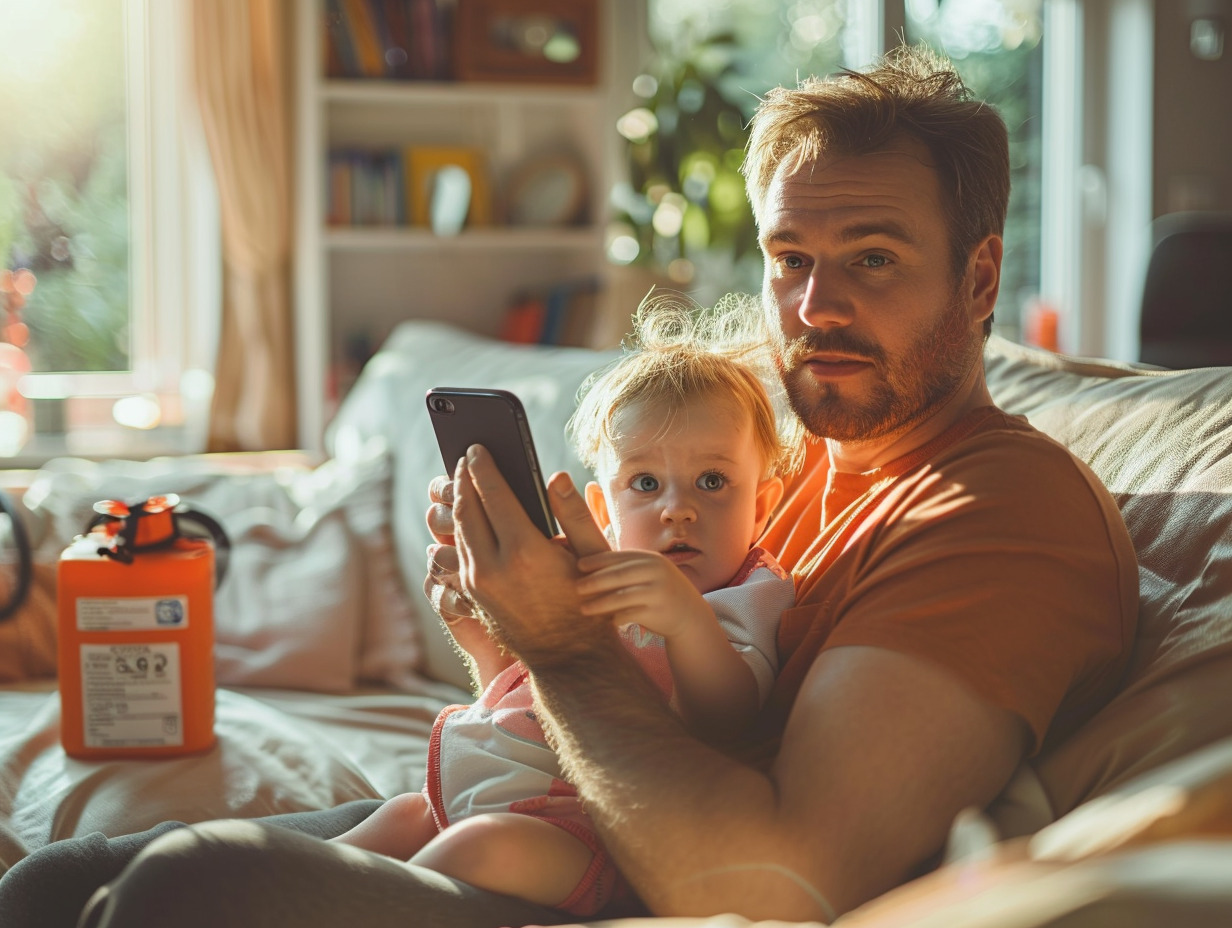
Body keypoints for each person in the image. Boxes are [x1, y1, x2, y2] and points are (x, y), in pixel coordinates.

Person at [0, 44, 1138, 928]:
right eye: (789, 258)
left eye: (872, 258)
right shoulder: (758, 440)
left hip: (612, 881)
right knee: (51, 885)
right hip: (526, 800)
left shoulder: (1000, 516)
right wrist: (493, 621)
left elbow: (779, 879)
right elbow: (579, 681)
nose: (813, 306)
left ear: (979, 276)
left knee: (185, 890)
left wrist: (555, 638)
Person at [327, 300, 796, 916]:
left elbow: (731, 719)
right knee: (397, 819)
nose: (677, 509)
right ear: (603, 511)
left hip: (595, 836)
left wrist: (686, 620)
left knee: (478, 847)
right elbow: (524, 690)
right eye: (646, 484)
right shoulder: (586, 575)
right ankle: (290, 895)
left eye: (713, 481)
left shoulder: (746, 592)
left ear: (761, 506)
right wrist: (476, 628)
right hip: (492, 790)